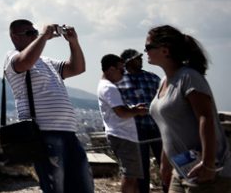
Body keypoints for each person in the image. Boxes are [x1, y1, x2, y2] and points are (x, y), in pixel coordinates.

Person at [4, 19, 93, 193]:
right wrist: (44, 35)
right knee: (55, 188)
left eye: (35, 32)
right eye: (29, 33)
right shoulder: (12, 57)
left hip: (68, 131)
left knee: (83, 186)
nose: (34, 36)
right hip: (43, 132)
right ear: (15, 37)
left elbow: (77, 68)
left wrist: (73, 42)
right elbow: (25, 62)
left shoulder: (47, 62)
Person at [145, 25, 230, 191]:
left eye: (148, 47)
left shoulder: (189, 77)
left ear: (165, 50)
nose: (145, 51)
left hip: (209, 170)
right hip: (183, 168)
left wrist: (208, 163)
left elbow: (206, 118)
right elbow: (168, 128)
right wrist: (165, 164)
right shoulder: (164, 81)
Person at [98, 54, 149, 193]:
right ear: (110, 69)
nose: (124, 73)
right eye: (121, 70)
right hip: (123, 135)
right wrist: (137, 112)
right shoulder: (109, 88)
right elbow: (121, 112)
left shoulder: (106, 86)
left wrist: (134, 109)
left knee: (133, 177)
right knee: (130, 177)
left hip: (122, 135)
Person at [118, 48, 164, 193]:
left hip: (157, 127)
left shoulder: (153, 78)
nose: (141, 60)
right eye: (137, 58)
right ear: (128, 62)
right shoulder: (119, 82)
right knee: (141, 170)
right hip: (135, 130)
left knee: (166, 164)